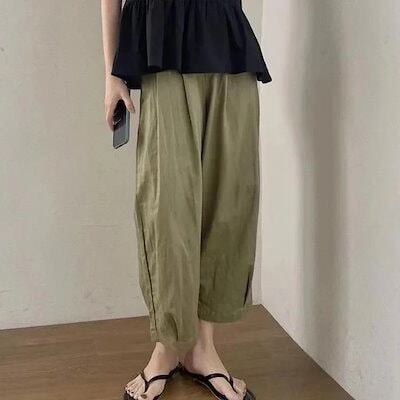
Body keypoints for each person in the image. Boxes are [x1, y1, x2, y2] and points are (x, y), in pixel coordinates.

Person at [101, 1, 271, 399]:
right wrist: (112, 74)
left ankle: (202, 349)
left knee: (227, 201)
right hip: (162, 44)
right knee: (168, 207)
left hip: (228, 46)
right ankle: (166, 347)